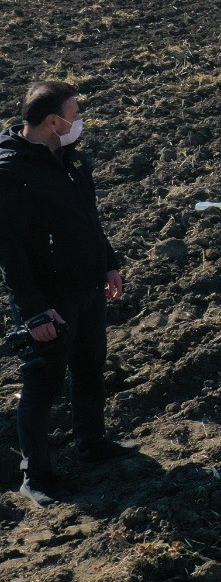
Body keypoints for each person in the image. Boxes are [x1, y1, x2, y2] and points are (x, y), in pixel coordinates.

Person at [0, 81, 132, 507]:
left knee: (90, 368)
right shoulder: (11, 172)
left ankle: (92, 444)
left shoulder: (71, 160)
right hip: (48, 298)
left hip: (87, 284)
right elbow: (9, 252)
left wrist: (108, 261)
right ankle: (35, 476)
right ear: (53, 121)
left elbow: (88, 217)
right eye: (75, 115)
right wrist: (34, 312)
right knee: (42, 383)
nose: (80, 122)